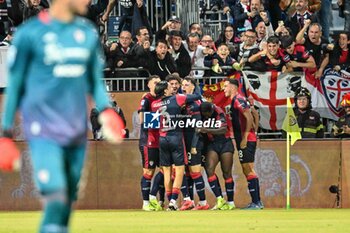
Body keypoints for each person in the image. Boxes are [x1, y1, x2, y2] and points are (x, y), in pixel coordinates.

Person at [0, 1, 125, 233]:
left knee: (66, 201)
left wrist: (107, 110)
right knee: (56, 192)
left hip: (76, 133)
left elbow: (94, 81)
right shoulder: (30, 34)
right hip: (43, 130)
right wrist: (5, 134)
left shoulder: (86, 34)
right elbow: (15, 85)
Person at [151, 80, 201, 210]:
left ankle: (169, 201)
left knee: (166, 171)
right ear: (165, 91)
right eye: (169, 87)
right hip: (175, 137)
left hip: (162, 138)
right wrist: (195, 87)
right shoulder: (177, 98)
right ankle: (173, 200)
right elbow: (197, 96)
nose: (173, 88)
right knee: (179, 170)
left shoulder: (154, 104)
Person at [223, 78, 263, 210]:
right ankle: (257, 202)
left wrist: (246, 137)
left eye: (226, 86)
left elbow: (250, 116)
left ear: (233, 87)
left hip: (245, 140)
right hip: (248, 138)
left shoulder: (238, 100)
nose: (224, 89)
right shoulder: (240, 99)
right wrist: (254, 132)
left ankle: (256, 203)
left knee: (248, 169)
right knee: (248, 169)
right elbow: (255, 113)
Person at [199, 102, 235, 210]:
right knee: (209, 169)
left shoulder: (219, 111)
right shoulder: (201, 114)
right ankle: (220, 199)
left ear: (211, 110)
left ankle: (231, 202)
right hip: (212, 144)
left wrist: (207, 130)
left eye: (208, 113)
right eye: (204, 114)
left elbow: (223, 129)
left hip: (225, 142)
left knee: (227, 173)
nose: (207, 116)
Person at [181, 76, 209, 210]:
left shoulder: (197, 103)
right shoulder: (184, 101)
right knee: (186, 172)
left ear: (193, 86)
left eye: (186, 85)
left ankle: (203, 202)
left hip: (194, 141)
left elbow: (198, 127)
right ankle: (190, 201)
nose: (183, 87)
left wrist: (193, 145)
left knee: (195, 172)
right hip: (184, 141)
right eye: (183, 85)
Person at [138, 75, 162, 211]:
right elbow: (142, 120)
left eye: (159, 82)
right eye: (155, 82)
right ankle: (146, 202)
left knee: (166, 170)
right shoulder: (146, 98)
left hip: (163, 140)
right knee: (148, 171)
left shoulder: (163, 99)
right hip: (149, 140)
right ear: (149, 85)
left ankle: (155, 197)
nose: (158, 84)